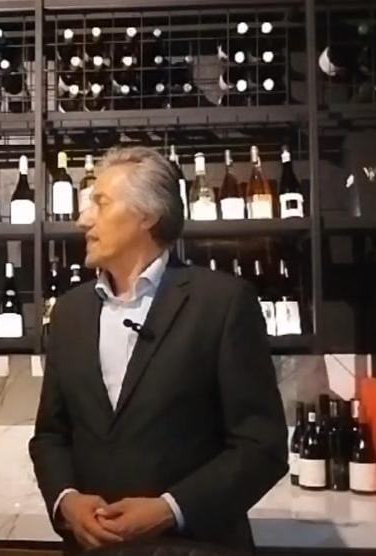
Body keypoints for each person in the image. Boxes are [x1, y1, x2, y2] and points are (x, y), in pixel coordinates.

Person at [29, 146, 287, 553]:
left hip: (193, 546)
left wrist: (170, 509)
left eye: (100, 203)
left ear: (147, 215)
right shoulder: (69, 312)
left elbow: (261, 446)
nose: (83, 220)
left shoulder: (222, 303)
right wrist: (66, 500)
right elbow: (50, 435)